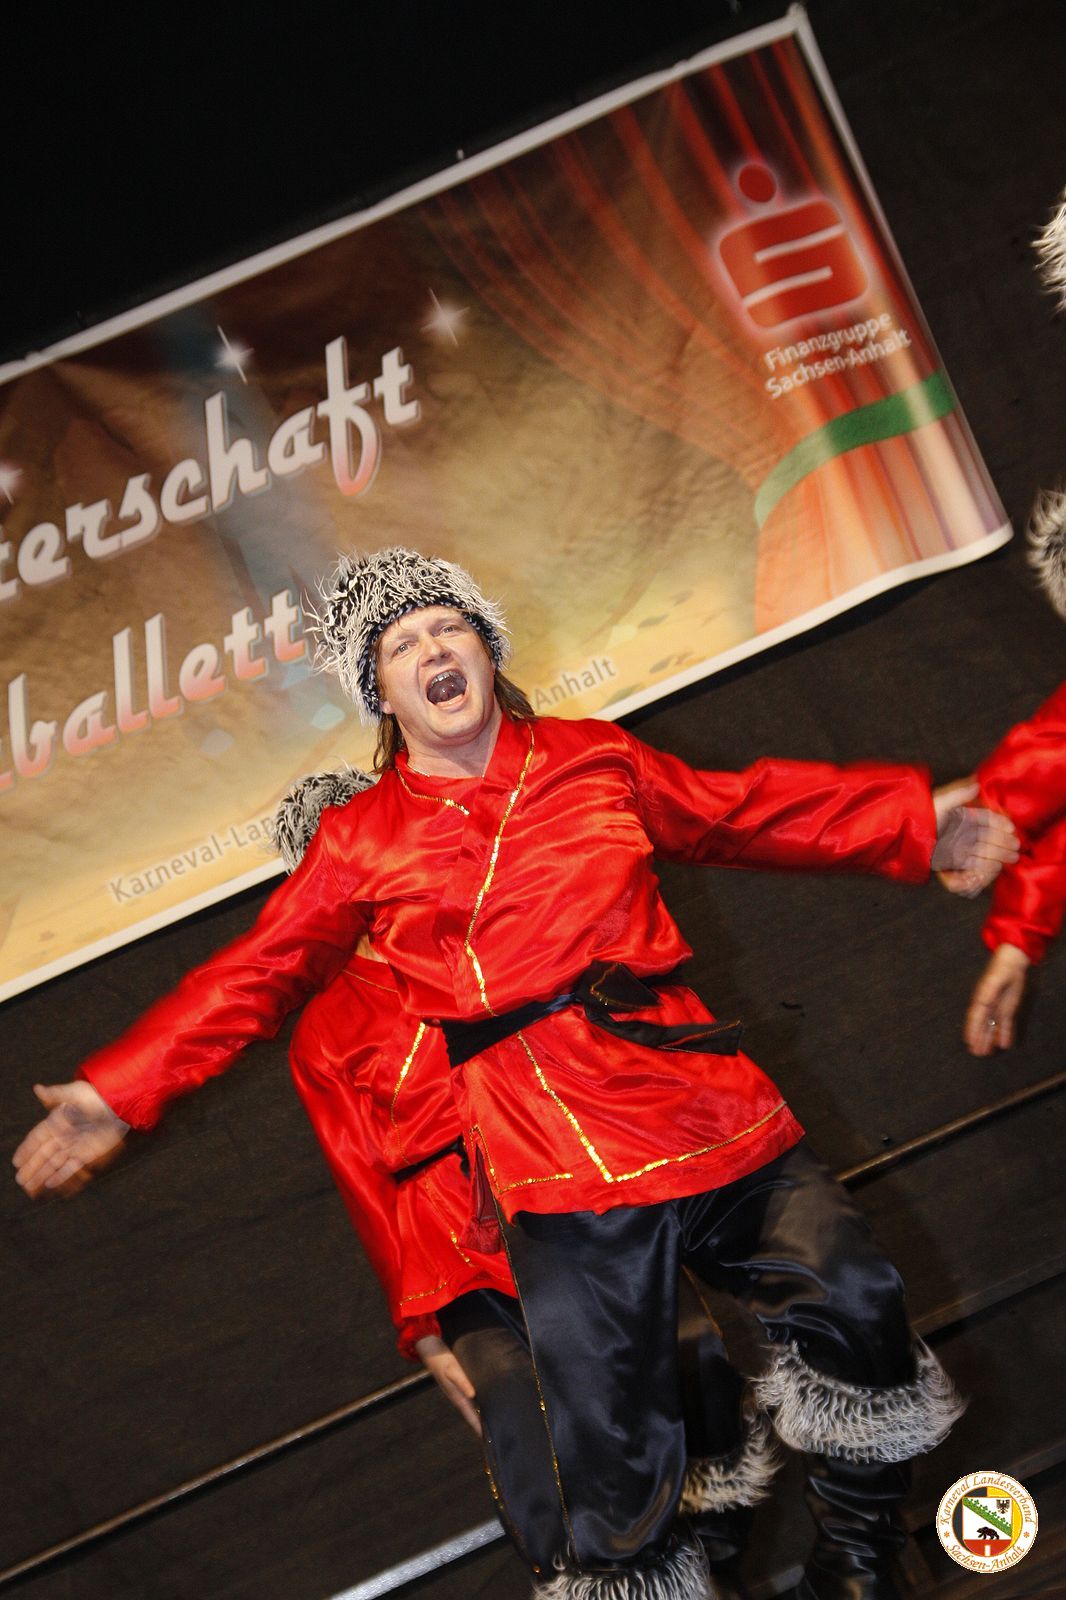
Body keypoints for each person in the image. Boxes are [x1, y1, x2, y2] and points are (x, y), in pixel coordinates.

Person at [13, 547, 1017, 1600]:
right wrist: (119, 1093)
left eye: (448, 627)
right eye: (402, 645)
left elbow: (741, 810)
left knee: (856, 1296)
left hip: (695, 1099)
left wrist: (913, 822)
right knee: (612, 1466)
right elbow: (254, 974)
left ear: (486, 650)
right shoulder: (360, 839)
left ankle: (858, 1566)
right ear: (381, 693)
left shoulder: (594, 757)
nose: (432, 649)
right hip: (554, 1160)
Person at [15, 767, 773, 1599]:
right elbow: (364, 1183)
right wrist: (424, 1335)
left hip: (567, 1185)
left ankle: (719, 1555)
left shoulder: (498, 928)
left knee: (684, 1355)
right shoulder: (324, 1032)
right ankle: (595, 1581)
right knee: (523, 1413)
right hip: (454, 1244)